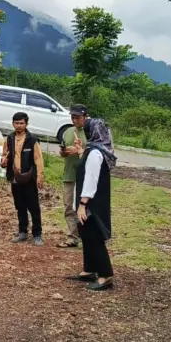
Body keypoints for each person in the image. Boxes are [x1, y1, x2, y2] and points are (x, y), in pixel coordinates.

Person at [66, 118, 116, 291]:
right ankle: (89, 270)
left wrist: (82, 203)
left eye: (87, 130)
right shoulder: (94, 150)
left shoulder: (96, 153)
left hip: (92, 202)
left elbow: (91, 179)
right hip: (92, 200)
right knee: (85, 234)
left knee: (94, 236)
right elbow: (86, 167)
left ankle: (105, 275)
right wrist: (81, 151)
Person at [0, 112, 45, 245]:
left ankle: (37, 234)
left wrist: (39, 177)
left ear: (26, 123)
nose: (19, 126)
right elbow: (5, 155)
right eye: (16, 123)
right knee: (20, 206)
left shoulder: (32, 140)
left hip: (29, 178)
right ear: (12, 123)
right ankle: (23, 232)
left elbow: (38, 159)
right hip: (15, 178)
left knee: (33, 207)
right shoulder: (9, 139)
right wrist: (3, 162)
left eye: (21, 123)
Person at [59, 105, 88, 248]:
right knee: (68, 206)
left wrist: (80, 150)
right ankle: (73, 237)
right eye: (73, 117)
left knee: (85, 207)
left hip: (85, 176)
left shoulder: (90, 132)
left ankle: (89, 236)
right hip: (69, 174)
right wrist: (65, 152)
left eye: (78, 118)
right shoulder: (68, 132)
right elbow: (62, 152)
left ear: (85, 117)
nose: (75, 120)